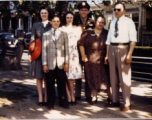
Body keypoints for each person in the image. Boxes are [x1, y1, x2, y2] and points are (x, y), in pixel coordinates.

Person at [105, 2, 137, 111]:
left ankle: (127, 103)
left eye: (119, 9)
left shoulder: (129, 22)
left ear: (124, 11)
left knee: (124, 78)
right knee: (113, 77)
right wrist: (107, 55)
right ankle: (115, 101)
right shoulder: (112, 22)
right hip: (112, 49)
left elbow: (133, 39)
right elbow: (108, 40)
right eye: (115, 9)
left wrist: (129, 54)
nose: (116, 11)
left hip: (124, 49)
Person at [79, 15, 112, 105]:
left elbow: (109, 44)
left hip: (103, 59)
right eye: (99, 22)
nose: (101, 24)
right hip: (90, 59)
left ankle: (110, 97)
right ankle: (94, 97)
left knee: (105, 79)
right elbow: (81, 43)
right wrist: (83, 55)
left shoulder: (106, 33)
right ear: (95, 22)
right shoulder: (87, 32)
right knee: (92, 78)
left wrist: (108, 56)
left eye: (102, 22)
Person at [42, 14, 69, 110]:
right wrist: (44, 64)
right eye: (54, 21)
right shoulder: (45, 35)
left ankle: (63, 102)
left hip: (61, 63)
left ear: (60, 22)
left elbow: (66, 49)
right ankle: (51, 103)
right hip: (50, 64)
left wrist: (67, 62)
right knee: (50, 84)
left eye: (58, 21)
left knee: (62, 83)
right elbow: (44, 50)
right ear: (51, 22)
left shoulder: (64, 34)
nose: (56, 23)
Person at [29, 5, 52, 106]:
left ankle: (46, 97)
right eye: (42, 13)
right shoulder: (35, 25)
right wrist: (30, 53)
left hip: (49, 54)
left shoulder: (52, 25)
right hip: (38, 54)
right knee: (39, 76)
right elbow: (32, 39)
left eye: (45, 13)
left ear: (48, 14)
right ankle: (40, 97)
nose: (44, 14)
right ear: (40, 14)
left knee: (47, 77)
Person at [61, 11, 82, 105]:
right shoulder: (61, 29)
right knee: (63, 76)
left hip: (73, 54)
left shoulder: (77, 29)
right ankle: (68, 96)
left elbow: (80, 43)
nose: (69, 19)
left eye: (71, 17)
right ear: (65, 18)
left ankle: (72, 96)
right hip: (62, 53)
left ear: (73, 18)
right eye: (67, 17)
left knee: (71, 77)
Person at [75, 1, 92, 102]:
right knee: (78, 72)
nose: (83, 12)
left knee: (88, 73)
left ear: (88, 11)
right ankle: (77, 94)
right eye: (82, 10)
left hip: (89, 51)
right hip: (76, 50)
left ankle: (88, 95)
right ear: (79, 11)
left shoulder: (93, 22)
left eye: (85, 10)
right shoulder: (75, 21)